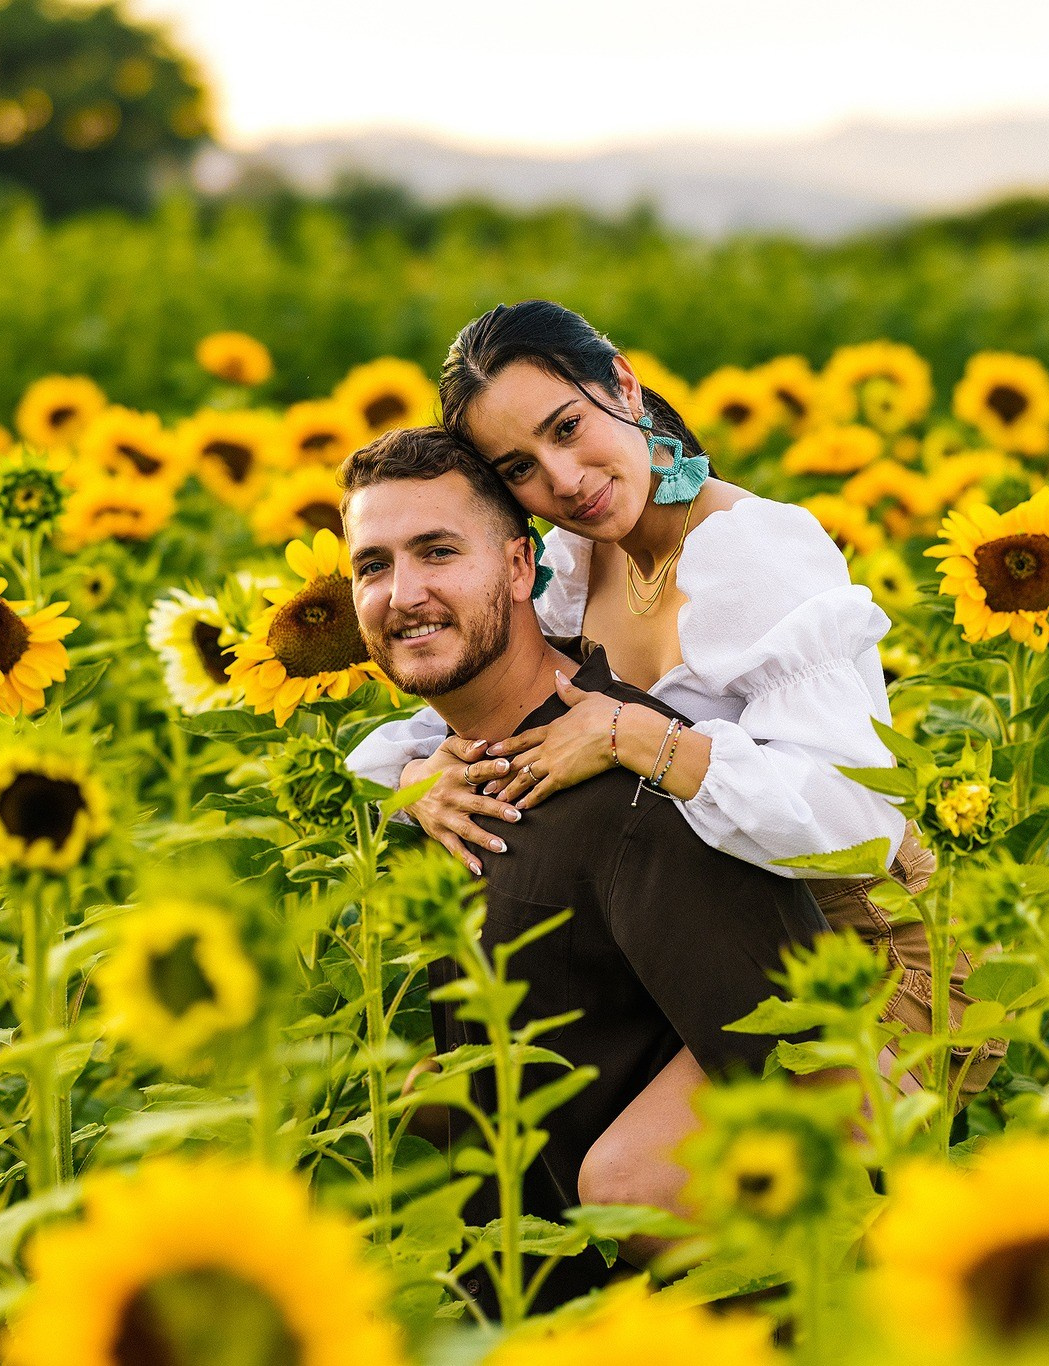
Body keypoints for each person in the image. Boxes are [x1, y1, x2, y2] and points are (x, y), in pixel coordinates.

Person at [347, 301, 1003, 1208]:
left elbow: (857, 823)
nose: (565, 480)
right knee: (454, 1104)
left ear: (622, 383)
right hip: (719, 943)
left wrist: (641, 736)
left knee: (635, 1186)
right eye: (520, 469)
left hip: (869, 951)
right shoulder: (587, 559)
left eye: (568, 428)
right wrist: (422, 775)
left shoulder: (752, 552)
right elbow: (523, 694)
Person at [341, 426, 831, 1312]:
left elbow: (806, 1079)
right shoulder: (450, 786)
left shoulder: (643, 794)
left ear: (523, 568)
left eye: (438, 552)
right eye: (372, 564)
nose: (402, 594)